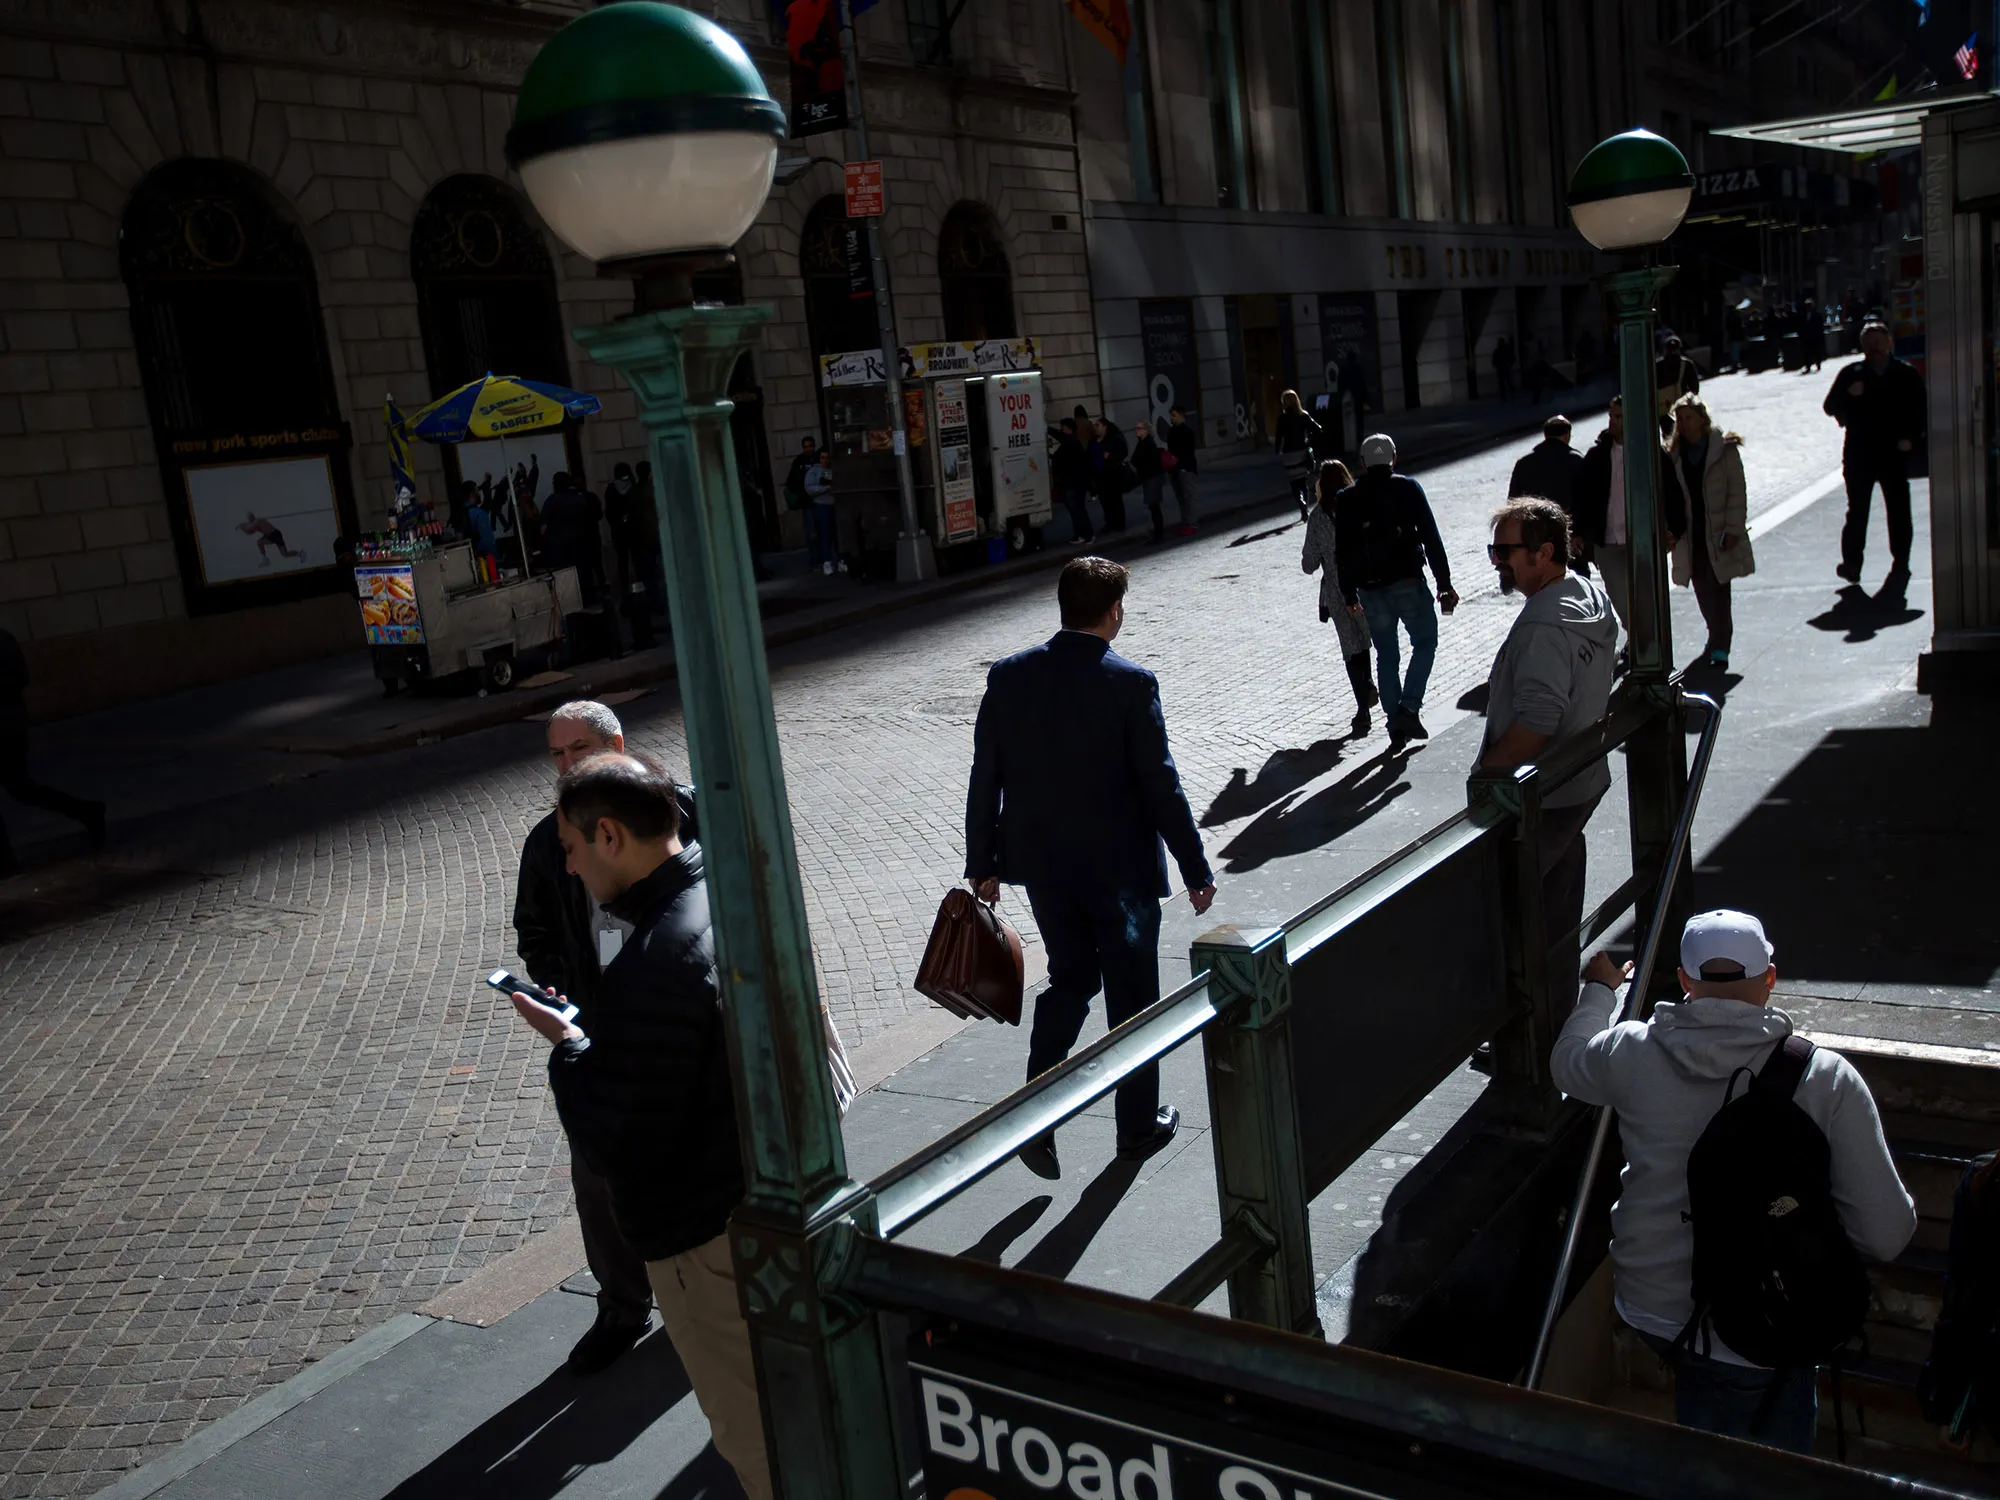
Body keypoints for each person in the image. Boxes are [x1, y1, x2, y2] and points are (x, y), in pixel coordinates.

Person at [507, 753, 772, 1500]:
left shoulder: (652, 962)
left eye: (570, 848)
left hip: (703, 1241)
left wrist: (571, 1052)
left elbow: (616, 1143)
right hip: (754, 1201)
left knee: (756, 1441)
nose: (566, 866)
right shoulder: (722, 898)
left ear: (611, 837)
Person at [1552, 910, 1916, 1453]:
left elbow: (1567, 1063)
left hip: (1653, 1302)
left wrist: (1601, 991)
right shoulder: (1825, 1078)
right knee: (1770, 1462)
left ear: (1683, 980)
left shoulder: (1631, 1051)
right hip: (1776, 1311)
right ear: (1770, 977)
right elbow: (1887, 1234)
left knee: (1711, 1421)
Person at [964, 557, 1216, 1181]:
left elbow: (985, 776)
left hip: (1045, 868)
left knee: (1072, 979)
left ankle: (1035, 1114)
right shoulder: (1130, 683)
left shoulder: (1010, 676)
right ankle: (1135, 1128)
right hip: (1120, 871)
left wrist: (983, 862)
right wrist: (1194, 864)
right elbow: (1161, 784)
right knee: (1133, 997)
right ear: (1114, 612)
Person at [513, 702, 700, 1375]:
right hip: (599, 1016)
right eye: (556, 754)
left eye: (580, 749)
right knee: (597, 1172)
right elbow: (533, 928)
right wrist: (564, 991)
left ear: (617, 744)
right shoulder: (547, 842)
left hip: (673, 1012)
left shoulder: (681, 811)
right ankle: (623, 1305)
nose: (567, 765)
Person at [1476, 497, 1618, 987]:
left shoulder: (1541, 625)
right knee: (1556, 910)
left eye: (1506, 552)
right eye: (1494, 551)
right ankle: (1555, 1017)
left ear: (1545, 552)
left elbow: (1538, 720)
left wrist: (1487, 774)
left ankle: (1529, 1033)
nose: (1498, 562)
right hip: (1577, 780)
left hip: (1539, 792)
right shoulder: (1587, 595)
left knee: (1511, 916)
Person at [1332, 433, 1458, 752]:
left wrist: (1349, 594)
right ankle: (1409, 708)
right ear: (1394, 459)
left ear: (1361, 463)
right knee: (1425, 642)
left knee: (1387, 655)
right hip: (1407, 581)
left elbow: (1341, 553)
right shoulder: (1408, 488)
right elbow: (1431, 537)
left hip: (1370, 589)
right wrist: (1444, 583)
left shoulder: (1346, 499)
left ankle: (1394, 725)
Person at [1823, 320, 1925, 585]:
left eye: (1879, 342)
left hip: (1893, 453)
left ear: (1889, 342)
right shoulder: (1851, 373)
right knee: (1857, 510)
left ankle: (1901, 561)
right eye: (1869, 344)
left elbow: (1920, 409)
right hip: (1860, 452)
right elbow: (1829, 405)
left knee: (1899, 509)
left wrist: (1910, 439)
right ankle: (1852, 564)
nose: (1874, 348)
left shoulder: (1905, 373)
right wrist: (1848, 394)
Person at [0, 626, 105, 875]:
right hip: (9, 727)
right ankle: (87, 811)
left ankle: (4, 861)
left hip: (6, 730)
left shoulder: (3, 640)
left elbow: (18, 679)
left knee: (22, 789)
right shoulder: (4, 638)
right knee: (22, 789)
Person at [1663, 393, 1753, 672]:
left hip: (1718, 531)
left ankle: (1720, 645)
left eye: (1689, 418)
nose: (1685, 424)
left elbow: (1737, 492)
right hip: (1691, 534)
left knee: (1719, 586)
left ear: (1702, 419)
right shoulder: (1673, 455)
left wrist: (1734, 528)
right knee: (1701, 586)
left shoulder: (1723, 449)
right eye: (1680, 419)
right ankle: (1714, 634)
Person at [1300, 460, 1377, 736]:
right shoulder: (1359, 505)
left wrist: (1319, 556)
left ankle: (1363, 710)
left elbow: (1308, 564)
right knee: (1365, 641)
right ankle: (1368, 683)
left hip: (1337, 590)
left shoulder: (1318, 517)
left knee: (1350, 646)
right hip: (1365, 583)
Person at [1573, 397, 1638, 647]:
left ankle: (1642, 642)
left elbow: (1670, 492)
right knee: (1619, 596)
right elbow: (1582, 496)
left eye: (1619, 417)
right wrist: (1578, 531)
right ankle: (1636, 636)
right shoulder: (1597, 455)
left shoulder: (1648, 452)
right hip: (1607, 540)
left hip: (1638, 539)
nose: (1613, 421)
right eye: (1611, 416)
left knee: (1643, 597)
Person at [1509, 416, 1585, 570]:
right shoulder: (1576, 461)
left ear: (1545, 435)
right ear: (1567, 435)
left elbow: (1513, 503)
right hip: (1568, 537)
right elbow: (1586, 501)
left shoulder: (1524, 463)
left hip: (1534, 538)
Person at [1274, 389, 1322, 519]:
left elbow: (1279, 437)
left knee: (1294, 483)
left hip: (1289, 454)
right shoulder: (1303, 415)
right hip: (1302, 452)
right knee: (1303, 482)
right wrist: (1309, 440)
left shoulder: (1282, 418)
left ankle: (1301, 501)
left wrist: (1277, 450)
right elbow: (1318, 429)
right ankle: (1304, 510)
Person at [1049, 417, 1093, 543]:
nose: (1061, 430)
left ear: (1068, 429)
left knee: (1077, 508)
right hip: (1072, 481)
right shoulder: (1071, 442)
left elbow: (1066, 459)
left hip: (1075, 482)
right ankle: (1080, 534)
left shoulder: (1071, 442)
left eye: (1063, 427)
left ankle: (1087, 534)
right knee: (1075, 509)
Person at [1655, 334, 1700, 437]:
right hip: (1676, 408)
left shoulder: (1657, 366)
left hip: (1667, 408)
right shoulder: (1686, 364)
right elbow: (1694, 388)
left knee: (1670, 437)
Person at [1092, 415, 1130, 533]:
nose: (1096, 428)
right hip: (1100, 475)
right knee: (1105, 501)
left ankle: (1120, 523)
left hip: (1112, 474)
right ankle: (1110, 523)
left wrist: (1110, 456)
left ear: (1105, 426)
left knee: (1115, 500)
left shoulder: (1114, 438)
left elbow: (1123, 452)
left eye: (1098, 425)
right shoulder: (1096, 440)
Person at [1165, 405, 1199, 536]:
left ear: (1181, 415)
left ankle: (1192, 523)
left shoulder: (1187, 432)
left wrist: (1181, 466)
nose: (1171, 418)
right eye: (1171, 415)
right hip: (1174, 470)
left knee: (1189, 497)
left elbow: (1186, 452)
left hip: (1186, 469)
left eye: (1174, 415)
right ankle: (1185, 521)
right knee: (1181, 498)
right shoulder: (1172, 431)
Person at [1131, 419, 1167, 543]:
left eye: (1140, 428)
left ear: (1146, 430)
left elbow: (1148, 461)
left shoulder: (1149, 443)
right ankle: (1157, 533)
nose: (1137, 430)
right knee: (1153, 506)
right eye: (1136, 428)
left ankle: (1159, 534)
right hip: (1149, 478)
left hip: (1153, 478)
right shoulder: (1142, 442)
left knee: (1154, 505)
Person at [804, 451, 840, 574]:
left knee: (837, 534)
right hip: (821, 505)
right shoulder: (813, 471)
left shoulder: (832, 469)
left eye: (827, 458)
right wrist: (824, 488)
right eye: (822, 458)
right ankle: (826, 561)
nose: (825, 460)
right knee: (824, 534)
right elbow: (809, 488)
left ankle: (840, 560)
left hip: (833, 504)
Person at [237, 512, 304, 565]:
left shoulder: (257, 521)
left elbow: (248, 531)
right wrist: (242, 525)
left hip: (274, 535)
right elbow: (250, 529)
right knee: (260, 542)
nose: (250, 518)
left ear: (252, 516)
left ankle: (299, 554)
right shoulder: (255, 522)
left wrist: (241, 526)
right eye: (249, 517)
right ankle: (265, 559)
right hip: (270, 535)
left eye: (251, 516)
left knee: (285, 554)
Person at [1492, 336, 1517, 400]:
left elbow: (1513, 358)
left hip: (1504, 368)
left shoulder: (1504, 350)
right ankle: (1507, 396)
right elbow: (1494, 361)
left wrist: (1509, 364)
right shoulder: (1502, 350)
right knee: (1505, 383)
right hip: (1503, 368)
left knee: (1506, 382)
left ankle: (1507, 395)